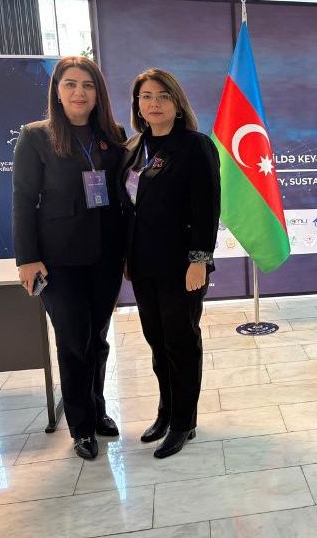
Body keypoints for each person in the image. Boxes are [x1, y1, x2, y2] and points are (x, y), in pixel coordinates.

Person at [12, 56, 126, 460]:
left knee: (97, 338)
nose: (80, 92)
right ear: (57, 91)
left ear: (98, 93)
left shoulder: (113, 136)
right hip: (58, 261)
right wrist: (27, 259)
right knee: (74, 341)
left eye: (88, 85)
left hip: (105, 257)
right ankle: (81, 426)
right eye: (71, 84)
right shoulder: (36, 136)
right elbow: (23, 200)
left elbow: (121, 196)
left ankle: (98, 409)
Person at [119, 68, 220, 459]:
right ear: (137, 105)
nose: (154, 103)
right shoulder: (133, 147)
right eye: (146, 96)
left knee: (181, 342)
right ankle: (165, 412)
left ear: (177, 104)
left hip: (182, 266)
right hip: (143, 264)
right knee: (157, 342)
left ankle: (183, 422)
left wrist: (199, 260)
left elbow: (207, 207)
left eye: (163, 96)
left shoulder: (195, 146)